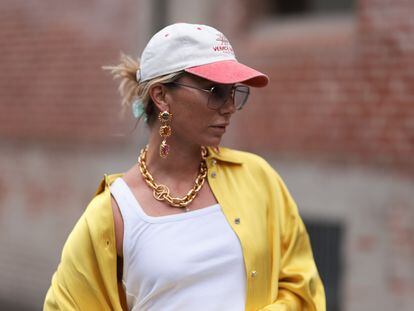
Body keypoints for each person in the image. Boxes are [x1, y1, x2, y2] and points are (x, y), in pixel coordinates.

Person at [44, 23, 325, 311]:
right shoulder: (112, 214)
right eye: (216, 91)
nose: (229, 106)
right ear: (161, 96)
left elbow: (301, 287)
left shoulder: (258, 178)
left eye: (234, 92)